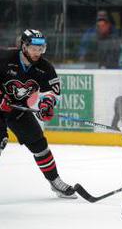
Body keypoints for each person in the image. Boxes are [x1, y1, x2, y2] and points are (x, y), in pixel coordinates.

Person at [0, 29, 77, 199]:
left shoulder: (45, 67)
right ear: (24, 46)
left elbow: (52, 91)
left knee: (39, 144)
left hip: (18, 109)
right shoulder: (4, 58)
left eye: (41, 48)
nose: (37, 52)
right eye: (34, 48)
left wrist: (47, 104)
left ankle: (55, 182)